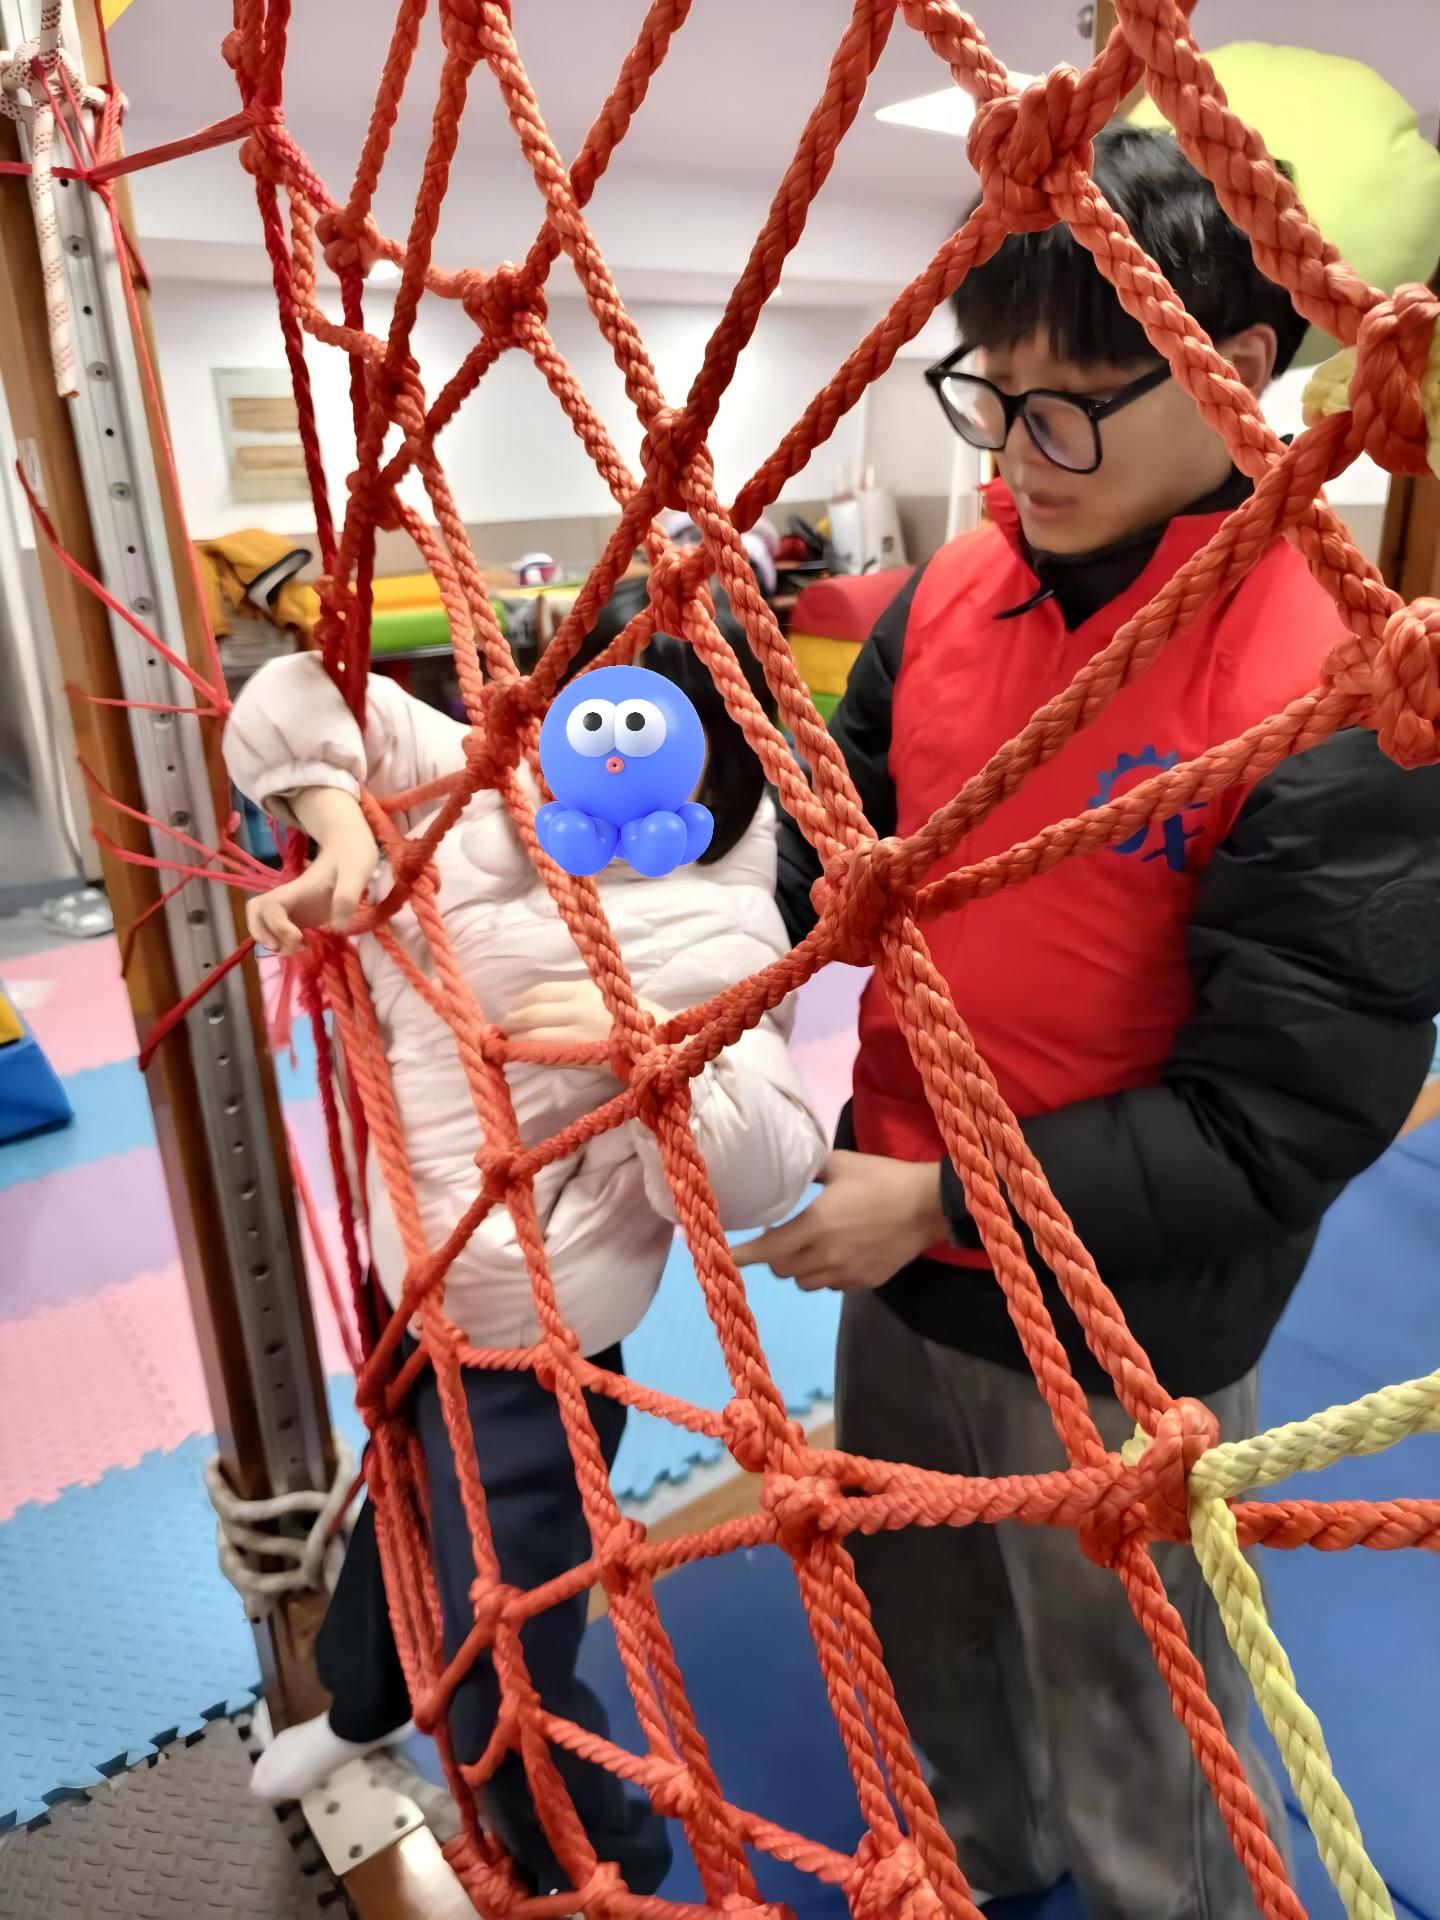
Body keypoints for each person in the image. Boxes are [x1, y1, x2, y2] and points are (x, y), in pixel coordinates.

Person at [745, 124, 1440, 1917]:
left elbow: (1281, 1120)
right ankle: (978, 1864)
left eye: (1070, 409)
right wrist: (707, 895)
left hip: (1130, 1311)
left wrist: (947, 1199)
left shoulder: (1333, 686)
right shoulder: (946, 599)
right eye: (991, 394)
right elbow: (838, 869)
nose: (1015, 455)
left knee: (1133, 1694)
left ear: (1237, 371)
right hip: (899, 1245)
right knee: (924, 1612)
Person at [224, 577, 827, 1895]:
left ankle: (592, 1864)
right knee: (395, 1510)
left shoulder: (716, 917)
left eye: (654, 732)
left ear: (718, 765)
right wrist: (334, 823)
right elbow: (294, 694)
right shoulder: (487, 796)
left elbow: (768, 1166)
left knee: (507, 1637)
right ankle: (362, 1704)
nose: (604, 757)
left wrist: (644, 1057)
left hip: (538, 1346)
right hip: (419, 1279)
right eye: (583, 716)